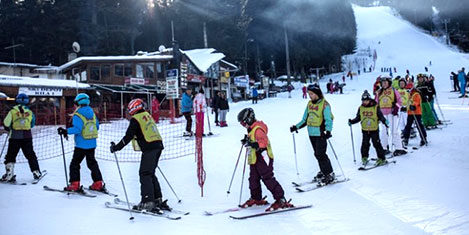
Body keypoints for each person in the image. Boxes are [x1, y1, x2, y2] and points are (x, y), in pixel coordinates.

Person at [110, 98, 168, 213]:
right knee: (150, 173)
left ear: (133, 108)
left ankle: (148, 202)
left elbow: (128, 137)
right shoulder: (147, 115)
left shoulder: (136, 119)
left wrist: (116, 147)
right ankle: (157, 198)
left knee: (145, 174)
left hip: (150, 147)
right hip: (158, 145)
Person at [237, 108, 293, 211]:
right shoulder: (251, 129)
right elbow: (253, 139)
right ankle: (256, 198)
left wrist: (252, 144)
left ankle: (281, 199)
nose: (244, 126)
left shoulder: (258, 129)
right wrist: (247, 140)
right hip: (255, 158)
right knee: (253, 179)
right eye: (242, 124)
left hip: (263, 158)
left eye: (244, 123)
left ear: (249, 119)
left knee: (267, 178)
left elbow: (263, 142)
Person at [58, 93, 104, 192]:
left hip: (81, 144)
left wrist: (66, 131)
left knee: (75, 163)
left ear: (78, 103)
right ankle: (98, 183)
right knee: (92, 163)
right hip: (92, 143)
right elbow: (97, 127)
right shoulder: (92, 113)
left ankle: (75, 184)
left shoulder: (78, 114)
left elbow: (78, 129)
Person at [290, 84, 335, 185]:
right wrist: (296, 127)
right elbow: (305, 119)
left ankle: (329, 173)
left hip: (321, 134)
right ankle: (323, 171)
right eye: (309, 94)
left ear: (317, 93)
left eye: (311, 94)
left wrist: (328, 131)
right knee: (317, 154)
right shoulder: (309, 104)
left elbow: (328, 119)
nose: (310, 96)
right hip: (311, 133)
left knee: (321, 154)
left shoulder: (325, 104)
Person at [1, 93, 42, 182]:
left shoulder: (12, 111)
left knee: (11, 155)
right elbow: (32, 124)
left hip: (15, 136)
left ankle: (9, 174)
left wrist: (9, 127)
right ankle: (36, 172)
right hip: (27, 136)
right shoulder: (30, 112)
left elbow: (6, 123)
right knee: (30, 154)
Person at [348, 90, 389, 166]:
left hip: (374, 129)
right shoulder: (361, 108)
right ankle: (364, 157)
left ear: (370, 100)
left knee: (376, 144)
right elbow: (358, 117)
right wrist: (352, 121)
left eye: (366, 100)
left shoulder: (375, 107)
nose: (365, 102)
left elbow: (380, 116)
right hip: (365, 129)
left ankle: (382, 158)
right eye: (363, 100)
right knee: (365, 144)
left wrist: (385, 121)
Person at [375, 76, 407, 156]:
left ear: (389, 83)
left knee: (393, 131)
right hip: (382, 114)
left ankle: (399, 148)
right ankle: (384, 147)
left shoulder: (393, 91)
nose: (384, 84)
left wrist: (396, 107)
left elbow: (400, 101)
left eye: (385, 82)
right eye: (383, 83)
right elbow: (376, 102)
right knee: (383, 132)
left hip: (391, 113)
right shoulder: (379, 92)